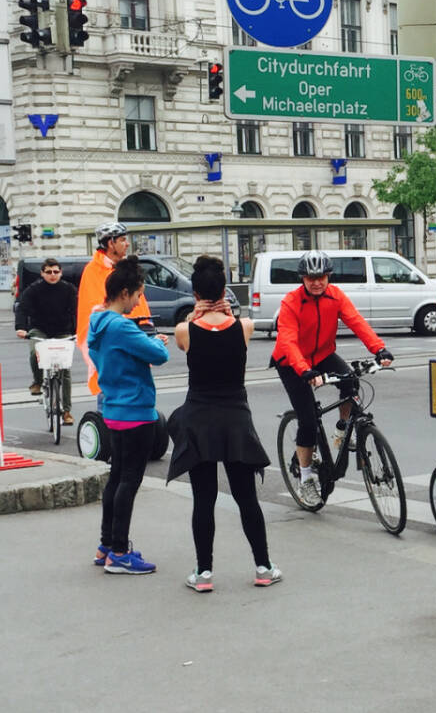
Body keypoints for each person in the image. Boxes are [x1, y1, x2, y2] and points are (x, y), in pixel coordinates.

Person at [167, 256, 279, 592]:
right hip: (235, 419)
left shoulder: (184, 330)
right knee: (247, 498)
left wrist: (195, 314)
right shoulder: (243, 327)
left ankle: (204, 574)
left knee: (204, 499)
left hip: (199, 418)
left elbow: (189, 336)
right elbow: (230, 326)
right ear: (226, 290)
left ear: (195, 292)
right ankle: (263, 567)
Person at [272, 249, 394, 508]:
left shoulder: (335, 296)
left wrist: (378, 348)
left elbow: (357, 322)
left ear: (328, 276)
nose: (316, 282)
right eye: (310, 278)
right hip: (293, 362)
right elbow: (287, 340)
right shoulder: (291, 302)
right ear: (302, 278)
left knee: (351, 381)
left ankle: (342, 430)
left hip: (323, 355)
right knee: (307, 420)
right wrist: (304, 370)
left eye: (321, 277)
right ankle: (306, 480)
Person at [87, 257, 169, 575]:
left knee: (116, 477)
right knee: (129, 482)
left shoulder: (99, 322)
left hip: (113, 410)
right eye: (138, 294)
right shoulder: (121, 326)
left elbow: (114, 354)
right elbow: (159, 355)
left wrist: (142, 343)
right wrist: (151, 340)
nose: (138, 301)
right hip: (136, 410)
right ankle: (120, 552)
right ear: (124, 293)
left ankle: (106, 544)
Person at [77, 221, 153, 400]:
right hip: (111, 347)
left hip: (133, 338)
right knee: (109, 405)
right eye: (123, 240)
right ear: (111, 243)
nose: (127, 244)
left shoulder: (125, 268)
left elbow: (139, 302)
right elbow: (95, 310)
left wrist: (147, 328)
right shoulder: (93, 271)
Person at [14, 256, 77, 424]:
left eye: (56, 272)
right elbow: (22, 309)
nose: (52, 275)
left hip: (63, 331)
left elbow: (77, 311)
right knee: (35, 352)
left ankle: (67, 411)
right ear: (42, 273)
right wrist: (20, 328)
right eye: (48, 272)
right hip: (40, 330)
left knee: (65, 370)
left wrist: (79, 330)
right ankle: (38, 381)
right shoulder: (34, 290)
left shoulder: (69, 289)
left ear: (61, 273)